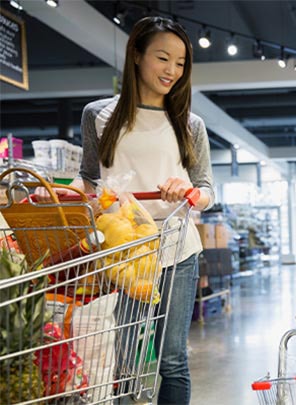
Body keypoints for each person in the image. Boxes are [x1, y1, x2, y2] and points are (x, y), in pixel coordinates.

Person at [37, 16, 214, 405]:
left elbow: (207, 192)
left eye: (181, 63)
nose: (172, 70)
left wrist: (187, 191)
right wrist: (58, 197)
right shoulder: (98, 116)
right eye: (163, 58)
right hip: (122, 254)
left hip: (176, 252)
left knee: (172, 359)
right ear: (136, 55)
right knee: (124, 358)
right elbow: (89, 179)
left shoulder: (190, 123)